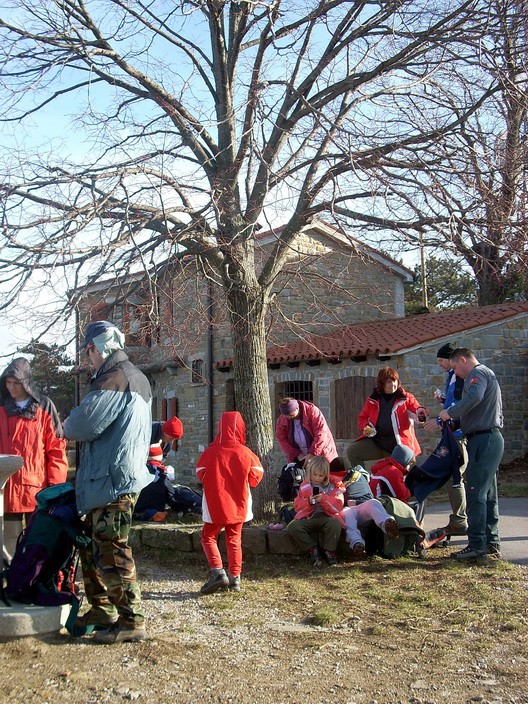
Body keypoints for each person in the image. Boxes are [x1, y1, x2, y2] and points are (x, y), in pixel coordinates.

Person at [64, 320, 153, 643]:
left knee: (112, 548)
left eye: (88, 350)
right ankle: (103, 610)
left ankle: (131, 622)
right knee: (93, 544)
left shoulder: (115, 380)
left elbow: (81, 426)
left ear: (95, 348)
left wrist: (66, 421)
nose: (87, 358)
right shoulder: (132, 377)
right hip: (116, 478)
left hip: (112, 480)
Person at [0, 357, 68, 563]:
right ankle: (9, 585)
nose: (11, 387)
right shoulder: (1, 406)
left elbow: (56, 449)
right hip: (6, 488)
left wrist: (56, 489)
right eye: (8, 382)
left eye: (16, 383)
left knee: (37, 543)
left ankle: (32, 585)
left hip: (37, 491)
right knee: (8, 544)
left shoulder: (44, 406)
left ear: (26, 382)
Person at [439, 348, 504, 561]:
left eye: (456, 367)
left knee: (475, 492)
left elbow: (474, 398)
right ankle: (490, 543)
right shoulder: (482, 375)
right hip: (486, 438)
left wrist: (450, 412)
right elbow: (476, 409)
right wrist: (454, 421)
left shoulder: (478, 373)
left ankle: (477, 545)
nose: (456, 373)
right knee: (488, 494)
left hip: (483, 440)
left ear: (463, 360)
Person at [196, 411, 264, 594]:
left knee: (208, 536)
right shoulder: (246, 453)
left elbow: (200, 473)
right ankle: (235, 580)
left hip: (215, 502)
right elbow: (256, 476)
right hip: (238, 503)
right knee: (234, 540)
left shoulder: (210, 452)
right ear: (241, 429)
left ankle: (218, 571)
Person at [424, 342, 468, 537]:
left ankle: (460, 521)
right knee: (453, 477)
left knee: (455, 477)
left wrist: (439, 422)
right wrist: (443, 402)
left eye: (441, 360)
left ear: (452, 359)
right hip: (451, 434)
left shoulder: (459, 378)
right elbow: (453, 404)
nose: (440, 364)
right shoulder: (451, 377)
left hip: (457, 436)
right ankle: (460, 519)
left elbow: (459, 408)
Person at [347, 367, 427, 470]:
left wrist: (420, 412)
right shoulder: (372, 399)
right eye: (389, 382)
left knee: (397, 476)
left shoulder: (406, 398)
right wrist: (366, 427)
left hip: (399, 447)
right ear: (381, 384)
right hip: (377, 443)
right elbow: (362, 418)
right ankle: (363, 481)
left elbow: (415, 410)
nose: (392, 384)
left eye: (394, 381)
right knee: (352, 451)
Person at [287, 455, 345, 566]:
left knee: (335, 524)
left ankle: (330, 551)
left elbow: (338, 506)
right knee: (293, 526)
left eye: (320, 475)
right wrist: (308, 501)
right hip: (310, 516)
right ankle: (312, 549)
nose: (317, 478)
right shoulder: (305, 485)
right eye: (315, 475)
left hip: (328, 517)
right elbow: (297, 506)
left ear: (326, 475)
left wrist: (324, 499)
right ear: (309, 472)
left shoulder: (334, 486)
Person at [133, 444, 200, 522]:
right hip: (155, 513)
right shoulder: (161, 475)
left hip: (134, 512)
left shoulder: (136, 472)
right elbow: (171, 495)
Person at [275, 397, 338, 468]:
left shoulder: (312, 411)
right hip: (299, 457)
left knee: (322, 476)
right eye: (287, 417)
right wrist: (297, 455)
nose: (290, 418)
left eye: (292, 415)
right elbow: (282, 440)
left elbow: (320, 434)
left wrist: (312, 454)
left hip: (321, 453)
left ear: (297, 408)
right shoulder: (281, 421)